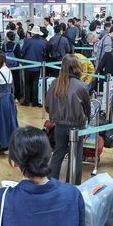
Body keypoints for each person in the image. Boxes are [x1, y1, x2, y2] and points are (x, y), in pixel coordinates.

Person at [45, 55, 90, 184]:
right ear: (77, 67)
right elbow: (87, 108)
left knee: (58, 153)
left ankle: (51, 183)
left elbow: (47, 106)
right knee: (75, 156)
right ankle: (73, 186)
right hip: (77, 125)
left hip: (59, 125)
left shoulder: (54, 83)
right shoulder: (81, 86)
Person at [21, 25, 46, 107]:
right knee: (35, 83)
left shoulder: (27, 41)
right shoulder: (43, 42)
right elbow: (44, 54)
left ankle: (27, 100)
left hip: (27, 65)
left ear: (33, 33)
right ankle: (35, 101)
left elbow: (23, 52)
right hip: (38, 65)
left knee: (27, 83)